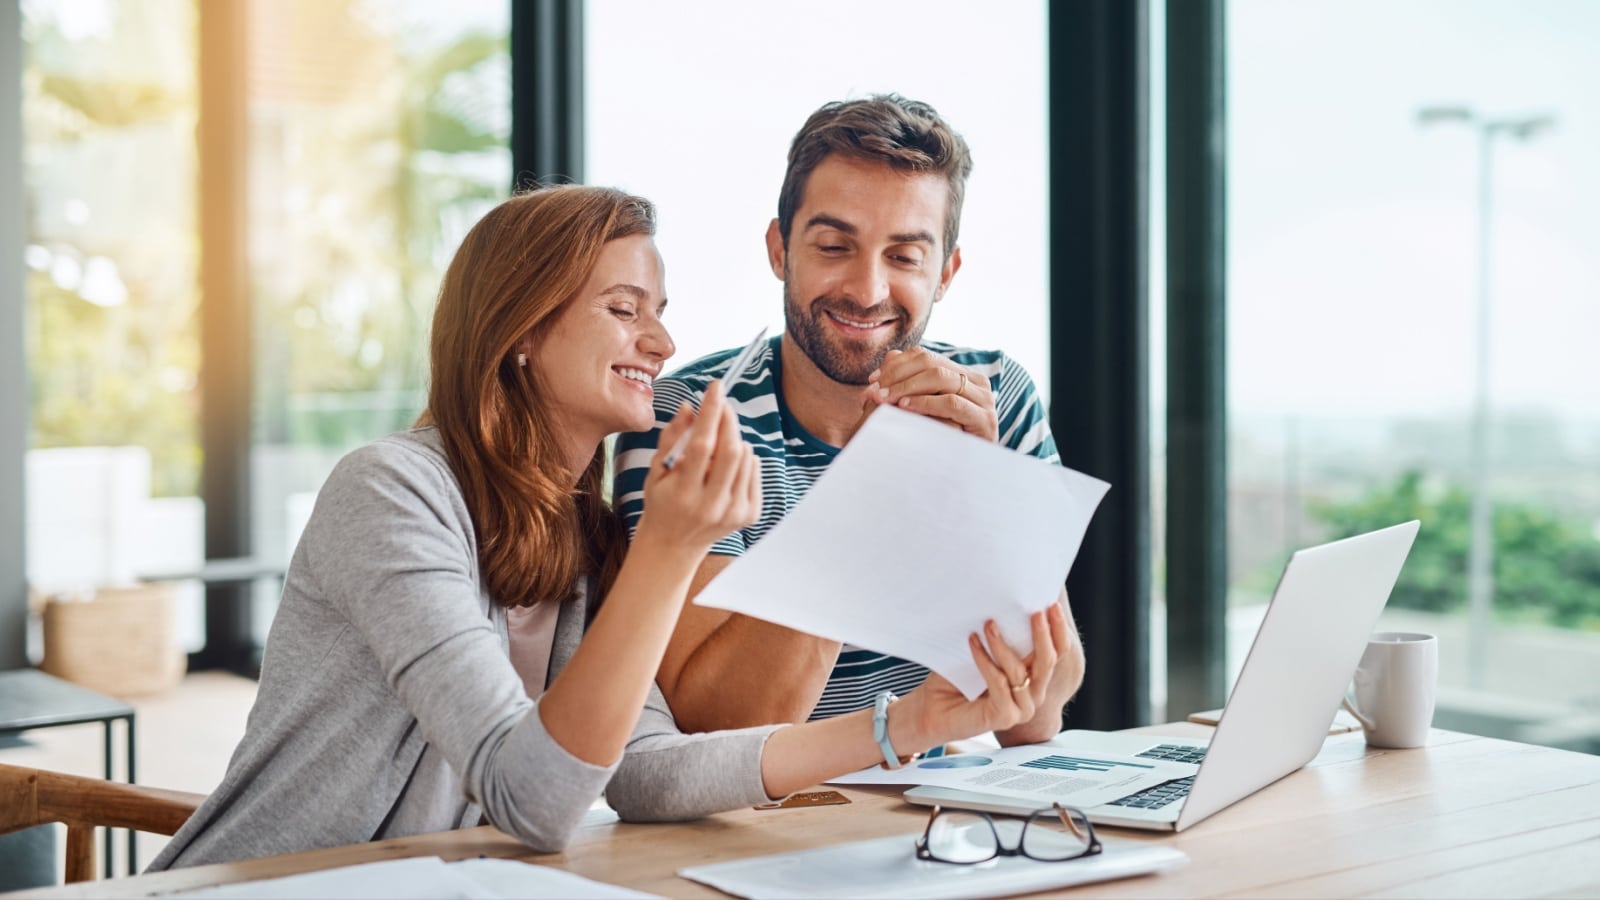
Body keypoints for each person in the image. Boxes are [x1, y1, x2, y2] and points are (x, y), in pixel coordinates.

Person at [147, 185, 1070, 869]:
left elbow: (645, 773)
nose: (663, 345)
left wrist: (903, 725)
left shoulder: (578, 531)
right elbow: (535, 799)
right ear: (518, 331)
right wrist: (669, 550)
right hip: (263, 886)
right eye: (624, 311)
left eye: (660, 313)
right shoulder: (391, 494)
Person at [613, 95, 1084, 744]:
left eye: (904, 256)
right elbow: (718, 725)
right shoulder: (692, 419)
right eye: (835, 246)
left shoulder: (995, 395)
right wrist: (874, 491)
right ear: (781, 250)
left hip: (938, 816)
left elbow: (1036, 716)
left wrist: (982, 487)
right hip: (772, 823)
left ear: (945, 272)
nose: (866, 291)